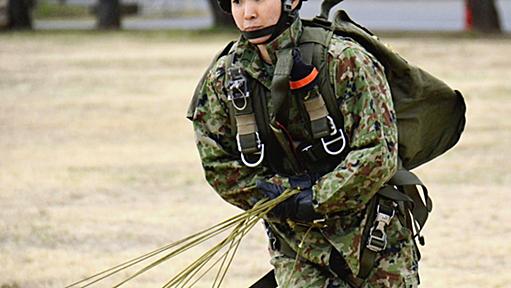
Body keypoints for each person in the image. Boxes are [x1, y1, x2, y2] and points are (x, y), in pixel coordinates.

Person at [188, 0, 420, 287]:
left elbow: (378, 151)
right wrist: (282, 198)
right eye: (237, 1)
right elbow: (219, 165)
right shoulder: (223, 80)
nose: (248, 13)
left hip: (374, 241)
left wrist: (315, 199)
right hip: (296, 248)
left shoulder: (343, 59)